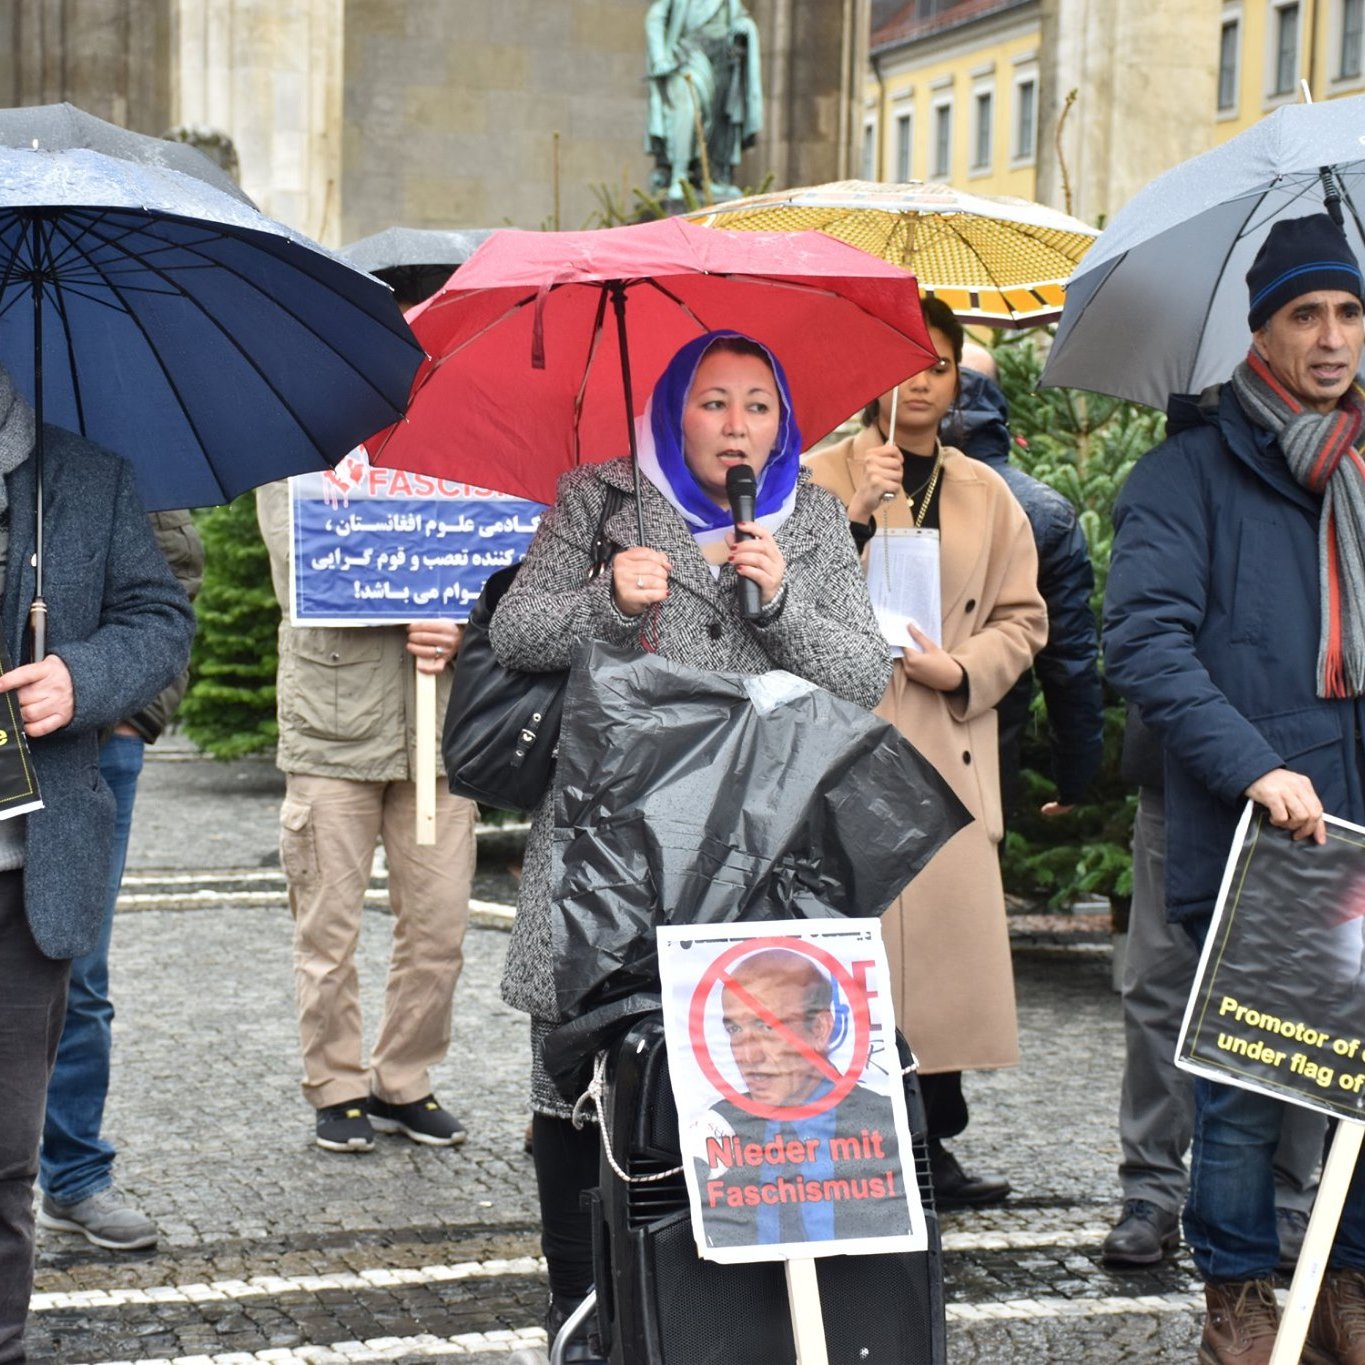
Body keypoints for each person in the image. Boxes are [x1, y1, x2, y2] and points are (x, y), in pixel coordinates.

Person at [489, 330, 891, 1356]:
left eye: (759, 404)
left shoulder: (809, 517)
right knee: (580, 1071)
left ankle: (726, 1318)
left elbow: (863, 673)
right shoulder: (601, 499)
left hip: (758, 848)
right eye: (714, 403)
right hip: (612, 844)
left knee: (744, 1075)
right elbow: (517, 634)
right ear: (676, 413)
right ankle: (580, 1309)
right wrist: (609, 603)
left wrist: (783, 604)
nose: (738, 425)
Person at [1104, 212, 1365, 1361]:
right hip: (1263, 829)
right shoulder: (1187, 473)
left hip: (1359, 820)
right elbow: (1147, 646)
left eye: (1350, 312)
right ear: (1261, 329)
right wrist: (1259, 766)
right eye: (1305, 313)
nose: (1331, 336)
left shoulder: (1361, 467)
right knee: (1248, 1088)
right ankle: (1241, 1294)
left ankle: (1347, 1282)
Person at [806, 297, 1048, 1211]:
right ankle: (853, 1136)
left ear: (957, 380)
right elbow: (776, 592)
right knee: (853, 952)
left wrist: (963, 666)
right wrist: (858, 512)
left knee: (941, 970)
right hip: (844, 740)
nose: (919, 381)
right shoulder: (813, 476)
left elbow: (1027, 620)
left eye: (938, 365)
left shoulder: (987, 492)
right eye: (902, 361)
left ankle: (933, 1144)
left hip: (946, 741)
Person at [0, 367, 196, 1364]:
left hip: (39, 835)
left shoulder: (89, 463)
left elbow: (162, 608)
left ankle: (14, 1314)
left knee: (5, 1145)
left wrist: (93, 682)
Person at [256, 479, 478, 1152]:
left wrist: (465, 621)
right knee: (327, 929)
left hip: (439, 732)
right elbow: (303, 567)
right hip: (331, 727)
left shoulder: (453, 439)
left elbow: (496, 564)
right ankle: (335, 1085)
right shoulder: (298, 453)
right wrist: (404, 587)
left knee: (439, 925)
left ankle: (402, 1079)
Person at [1101, 708, 1325, 1269]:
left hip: (1313, 773)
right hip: (1179, 768)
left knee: (1302, 997)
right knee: (1160, 989)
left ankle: (1286, 1198)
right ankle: (1150, 1192)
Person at [36, 511, 204, 1252]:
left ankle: (71, 1175)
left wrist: (130, 713)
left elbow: (170, 591)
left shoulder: (121, 440)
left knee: (77, 967)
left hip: (94, 744)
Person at [944, 343, 1104, 819]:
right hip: (990, 748)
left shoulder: (871, 492)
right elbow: (1070, 661)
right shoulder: (1041, 511)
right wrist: (1076, 773)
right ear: (996, 400)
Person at [697, 947, 911, 1247]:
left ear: (820, 1029)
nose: (748, 1054)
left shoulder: (881, 1121)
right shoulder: (717, 1129)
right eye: (734, 1028)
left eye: (766, 1026)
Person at [645, 0, 763, 200]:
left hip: (721, 60)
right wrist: (659, 59)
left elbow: (739, 17)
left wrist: (744, 26)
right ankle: (679, 176)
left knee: (717, 120)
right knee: (688, 108)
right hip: (686, 57)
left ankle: (710, 177)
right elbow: (655, 17)